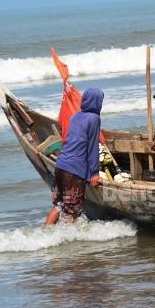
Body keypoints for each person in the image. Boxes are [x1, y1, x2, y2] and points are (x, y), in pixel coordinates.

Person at [45, 88, 104, 225]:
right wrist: (94, 173)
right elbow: (92, 147)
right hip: (74, 171)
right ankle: (70, 242)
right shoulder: (94, 118)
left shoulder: (76, 116)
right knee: (72, 211)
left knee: (58, 205)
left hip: (60, 165)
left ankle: (45, 233)